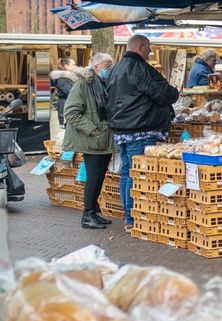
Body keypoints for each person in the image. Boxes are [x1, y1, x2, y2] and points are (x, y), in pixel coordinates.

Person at [108, 35, 179, 228]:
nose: (150, 52)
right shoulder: (140, 69)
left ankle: (128, 215)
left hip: (123, 129)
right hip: (141, 129)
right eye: (149, 48)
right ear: (140, 47)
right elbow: (164, 93)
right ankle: (133, 218)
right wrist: (175, 93)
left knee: (127, 172)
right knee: (138, 174)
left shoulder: (117, 68)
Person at [63, 53, 115, 229]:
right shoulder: (83, 84)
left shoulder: (103, 84)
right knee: (94, 176)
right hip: (91, 139)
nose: (110, 69)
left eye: (111, 65)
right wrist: (92, 129)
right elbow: (70, 112)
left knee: (99, 176)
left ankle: (93, 211)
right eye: (107, 66)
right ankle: (88, 215)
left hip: (102, 139)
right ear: (96, 67)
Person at [51, 58, 77, 126]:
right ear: (66, 66)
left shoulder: (70, 77)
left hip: (69, 104)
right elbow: (70, 92)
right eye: (73, 65)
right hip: (65, 105)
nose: (75, 66)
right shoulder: (62, 79)